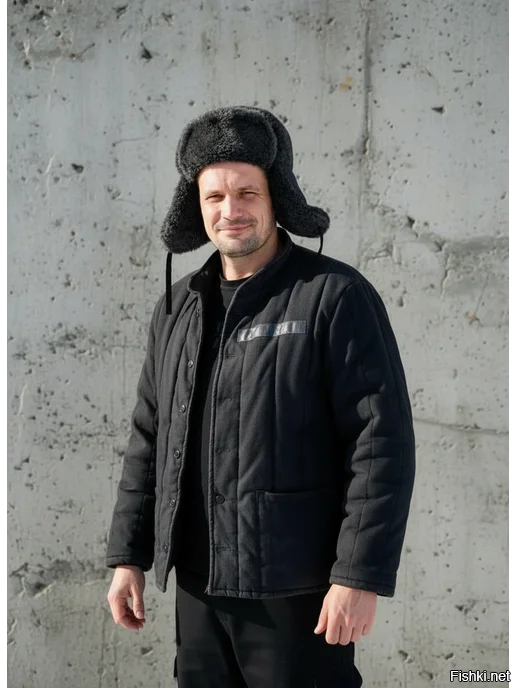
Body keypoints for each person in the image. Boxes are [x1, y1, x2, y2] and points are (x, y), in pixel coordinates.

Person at [106, 105, 416, 687]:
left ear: (277, 199)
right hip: (197, 586)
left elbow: (381, 445)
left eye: (247, 193)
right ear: (196, 208)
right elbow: (148, 438)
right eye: (215, 197)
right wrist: (128, 556)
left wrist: (358, 576)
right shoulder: (177, 308)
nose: (231, 210)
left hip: (297, 591)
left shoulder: (333, 296)